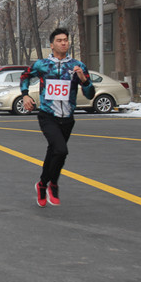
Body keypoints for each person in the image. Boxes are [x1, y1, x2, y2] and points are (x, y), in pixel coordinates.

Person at [20, 28, 95, 208]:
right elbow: (25, 76)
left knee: (55, 153)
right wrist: (25, 95)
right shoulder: (42, 65)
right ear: (52, 44)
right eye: (59, 40)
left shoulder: (77, 66)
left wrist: (83, 80)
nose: (63, 43)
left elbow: (90, 94)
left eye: (66, 40)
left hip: (67, 117)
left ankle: (44, 184)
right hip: (48, 115)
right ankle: (51, 184)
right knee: (61, 150)